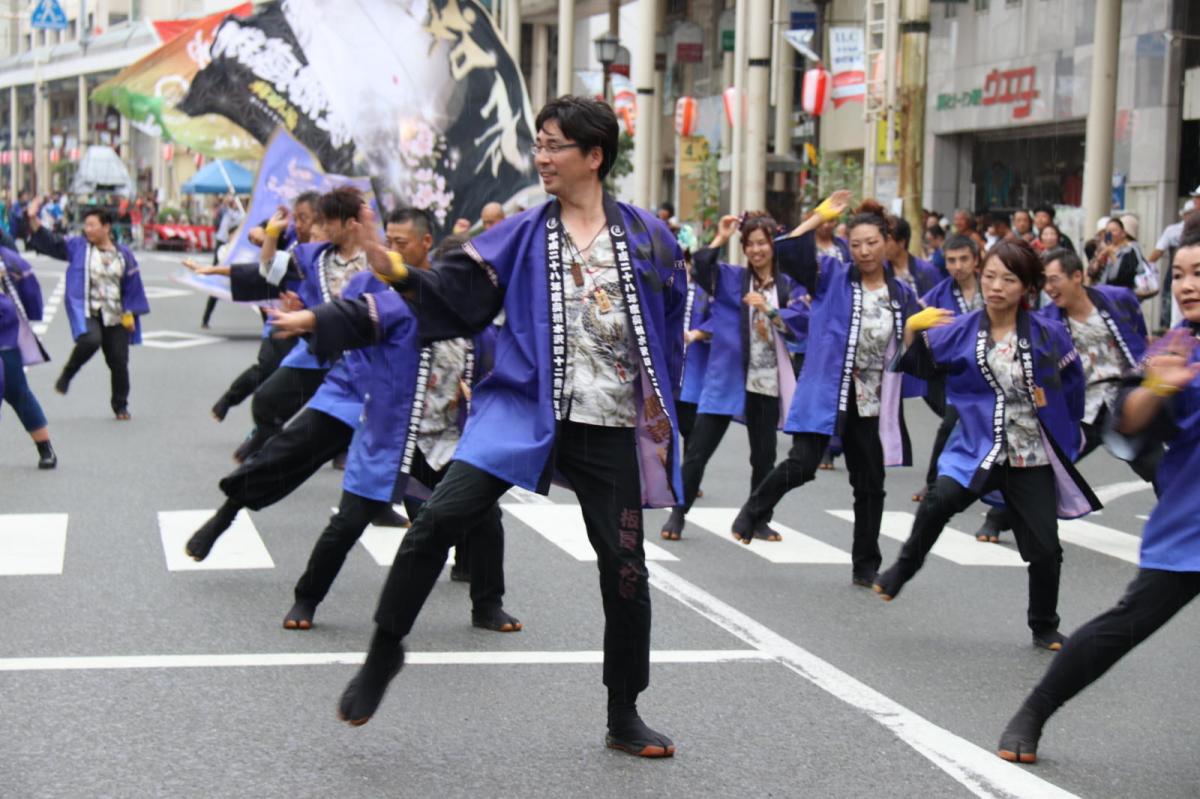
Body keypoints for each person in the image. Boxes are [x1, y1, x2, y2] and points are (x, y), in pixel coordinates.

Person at [311, 96, 685, 758]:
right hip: (520, 407)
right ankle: (384, 650)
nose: (541, 157)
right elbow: (457, 293)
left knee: (626, 568)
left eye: (554, 145)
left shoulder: (651, 236)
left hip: (610, 421)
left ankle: (624, 710)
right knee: (434, 521)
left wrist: (663, 407)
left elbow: (669, 325)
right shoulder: (521, 232)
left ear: (593, 157)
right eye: (538, 143)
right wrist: (397, 270)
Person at [995, 232, 1200, 764]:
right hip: (1192, 528)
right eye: (1178, 274)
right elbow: (1129, 421)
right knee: (1124, 625)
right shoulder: (1178, 345)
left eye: (1197, 272)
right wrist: (1157, 390)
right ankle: (1034, 711)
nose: (1185, 286)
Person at [268, 235, 518, 634]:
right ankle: (306, 597)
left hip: (448, 442)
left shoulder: (481, 329)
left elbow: (501, 371)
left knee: (487, 517)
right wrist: (308, 320)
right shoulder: (401, 307)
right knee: (348, 523)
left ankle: (488, 605)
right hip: (391, 438)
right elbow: (353, 315)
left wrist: (481, 392)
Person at [873, 239, 1099, 651]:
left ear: (1027, 287)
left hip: (1031, 455)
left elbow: (1073, 387)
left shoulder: (1049, 334)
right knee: (939, 500)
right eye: (990, 276)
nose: (996, 286)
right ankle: (902, 569)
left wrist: (1066, 435)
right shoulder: (961, 328)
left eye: (1008, 279)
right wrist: (911, 331)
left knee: (1046, 550)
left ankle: (1044, 624)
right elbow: (923, 369)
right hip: (978, 447)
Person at [727, 193, 922, 588]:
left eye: (872, 243)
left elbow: (912, 349)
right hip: (826, 389)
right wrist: (817, 217)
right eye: (856, 244)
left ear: (888, 242)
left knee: (870, 484)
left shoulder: (901, 295)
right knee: (802, 464)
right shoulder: (833, 275)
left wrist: (918, 330)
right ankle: (753, 510)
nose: (864, 251)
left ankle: (865, 564)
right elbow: (792, 254)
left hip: (869, 398)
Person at [972, 247, 1162, 542]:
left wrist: (1145, 367)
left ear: (1078, 277)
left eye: (1055, 279)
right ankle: (996, 518)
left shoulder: (1117, 299)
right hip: (1080, 406)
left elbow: (1138, 330)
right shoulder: (1048, 319)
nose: (1050, 287)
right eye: (1045, 280)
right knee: (1047, 466)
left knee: (1155, 465)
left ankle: (1184, 524)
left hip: (1121, 401)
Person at [660, 212, 807, 542]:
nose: (757, 250)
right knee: (698, 451)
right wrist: (720, 237)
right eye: (750, 244)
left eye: (763, 243)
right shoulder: (731, 278)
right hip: (725, 377)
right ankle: (678, 514)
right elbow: (701, 269)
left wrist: (770, 310)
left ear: (773, 245)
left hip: (765, 380)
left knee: (763, 456)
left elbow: (799, 322)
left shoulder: (786, 285)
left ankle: (759, 517)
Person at [237, 187, 371, 462]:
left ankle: (337, 449)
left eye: (329, 221)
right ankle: (268, 446)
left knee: (358, 416)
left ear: (350, 223)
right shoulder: (314, 256)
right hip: (319, 350)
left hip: (361, 356)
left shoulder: (375, 261)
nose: (323, 228)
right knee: (265, 399)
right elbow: (269, 270)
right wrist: (272, 234)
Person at [203, 192, 320, 422]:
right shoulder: (293, 245)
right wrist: (270, 233)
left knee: (313, 385)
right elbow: (267, 269)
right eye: (296, 218)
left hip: (318, 327)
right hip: (283, 318)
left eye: (304, 218)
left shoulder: (334, 254)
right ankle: (234, 402)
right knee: (268, 370)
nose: (299, 224)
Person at [26, 201, 149, 420]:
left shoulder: (125, 255)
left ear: (106, 227)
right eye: (86, 225)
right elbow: (52, 241)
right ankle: (68, 373)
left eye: (92, 225)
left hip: (117, 314)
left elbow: (133, 286)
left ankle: (120, 405)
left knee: (119, 362)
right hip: (89, 310)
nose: (87, 229)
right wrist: (33, 219)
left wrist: (130, 313)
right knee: (91, 340)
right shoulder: (78, 247)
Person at [910, 234, 984, 502]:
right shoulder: (940, 293)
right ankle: (933, 483)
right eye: (952, 260)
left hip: (993, 370)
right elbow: (916, 316)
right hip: (957, 374)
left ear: (976, 260)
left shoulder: (991, 287)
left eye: (964, 259)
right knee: (951, 423)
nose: (958, 266)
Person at [0, 243, 55, 467]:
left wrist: (33, 313)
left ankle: (45, 447)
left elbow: (29, 287)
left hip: (4, 337)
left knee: (18, 391)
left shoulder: (8, 259)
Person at [201, 195, 246, 329]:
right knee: (216, 286)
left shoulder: (241, 216)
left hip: (236, 249)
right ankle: (205, 319)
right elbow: (220, 213)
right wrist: (226, 202)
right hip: (223, 244)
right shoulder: (225, 212)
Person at [886, 216, 941, 296]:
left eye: (887, 240)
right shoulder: (881, 269)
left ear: (901, 242)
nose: (882, 245)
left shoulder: (927, 270)